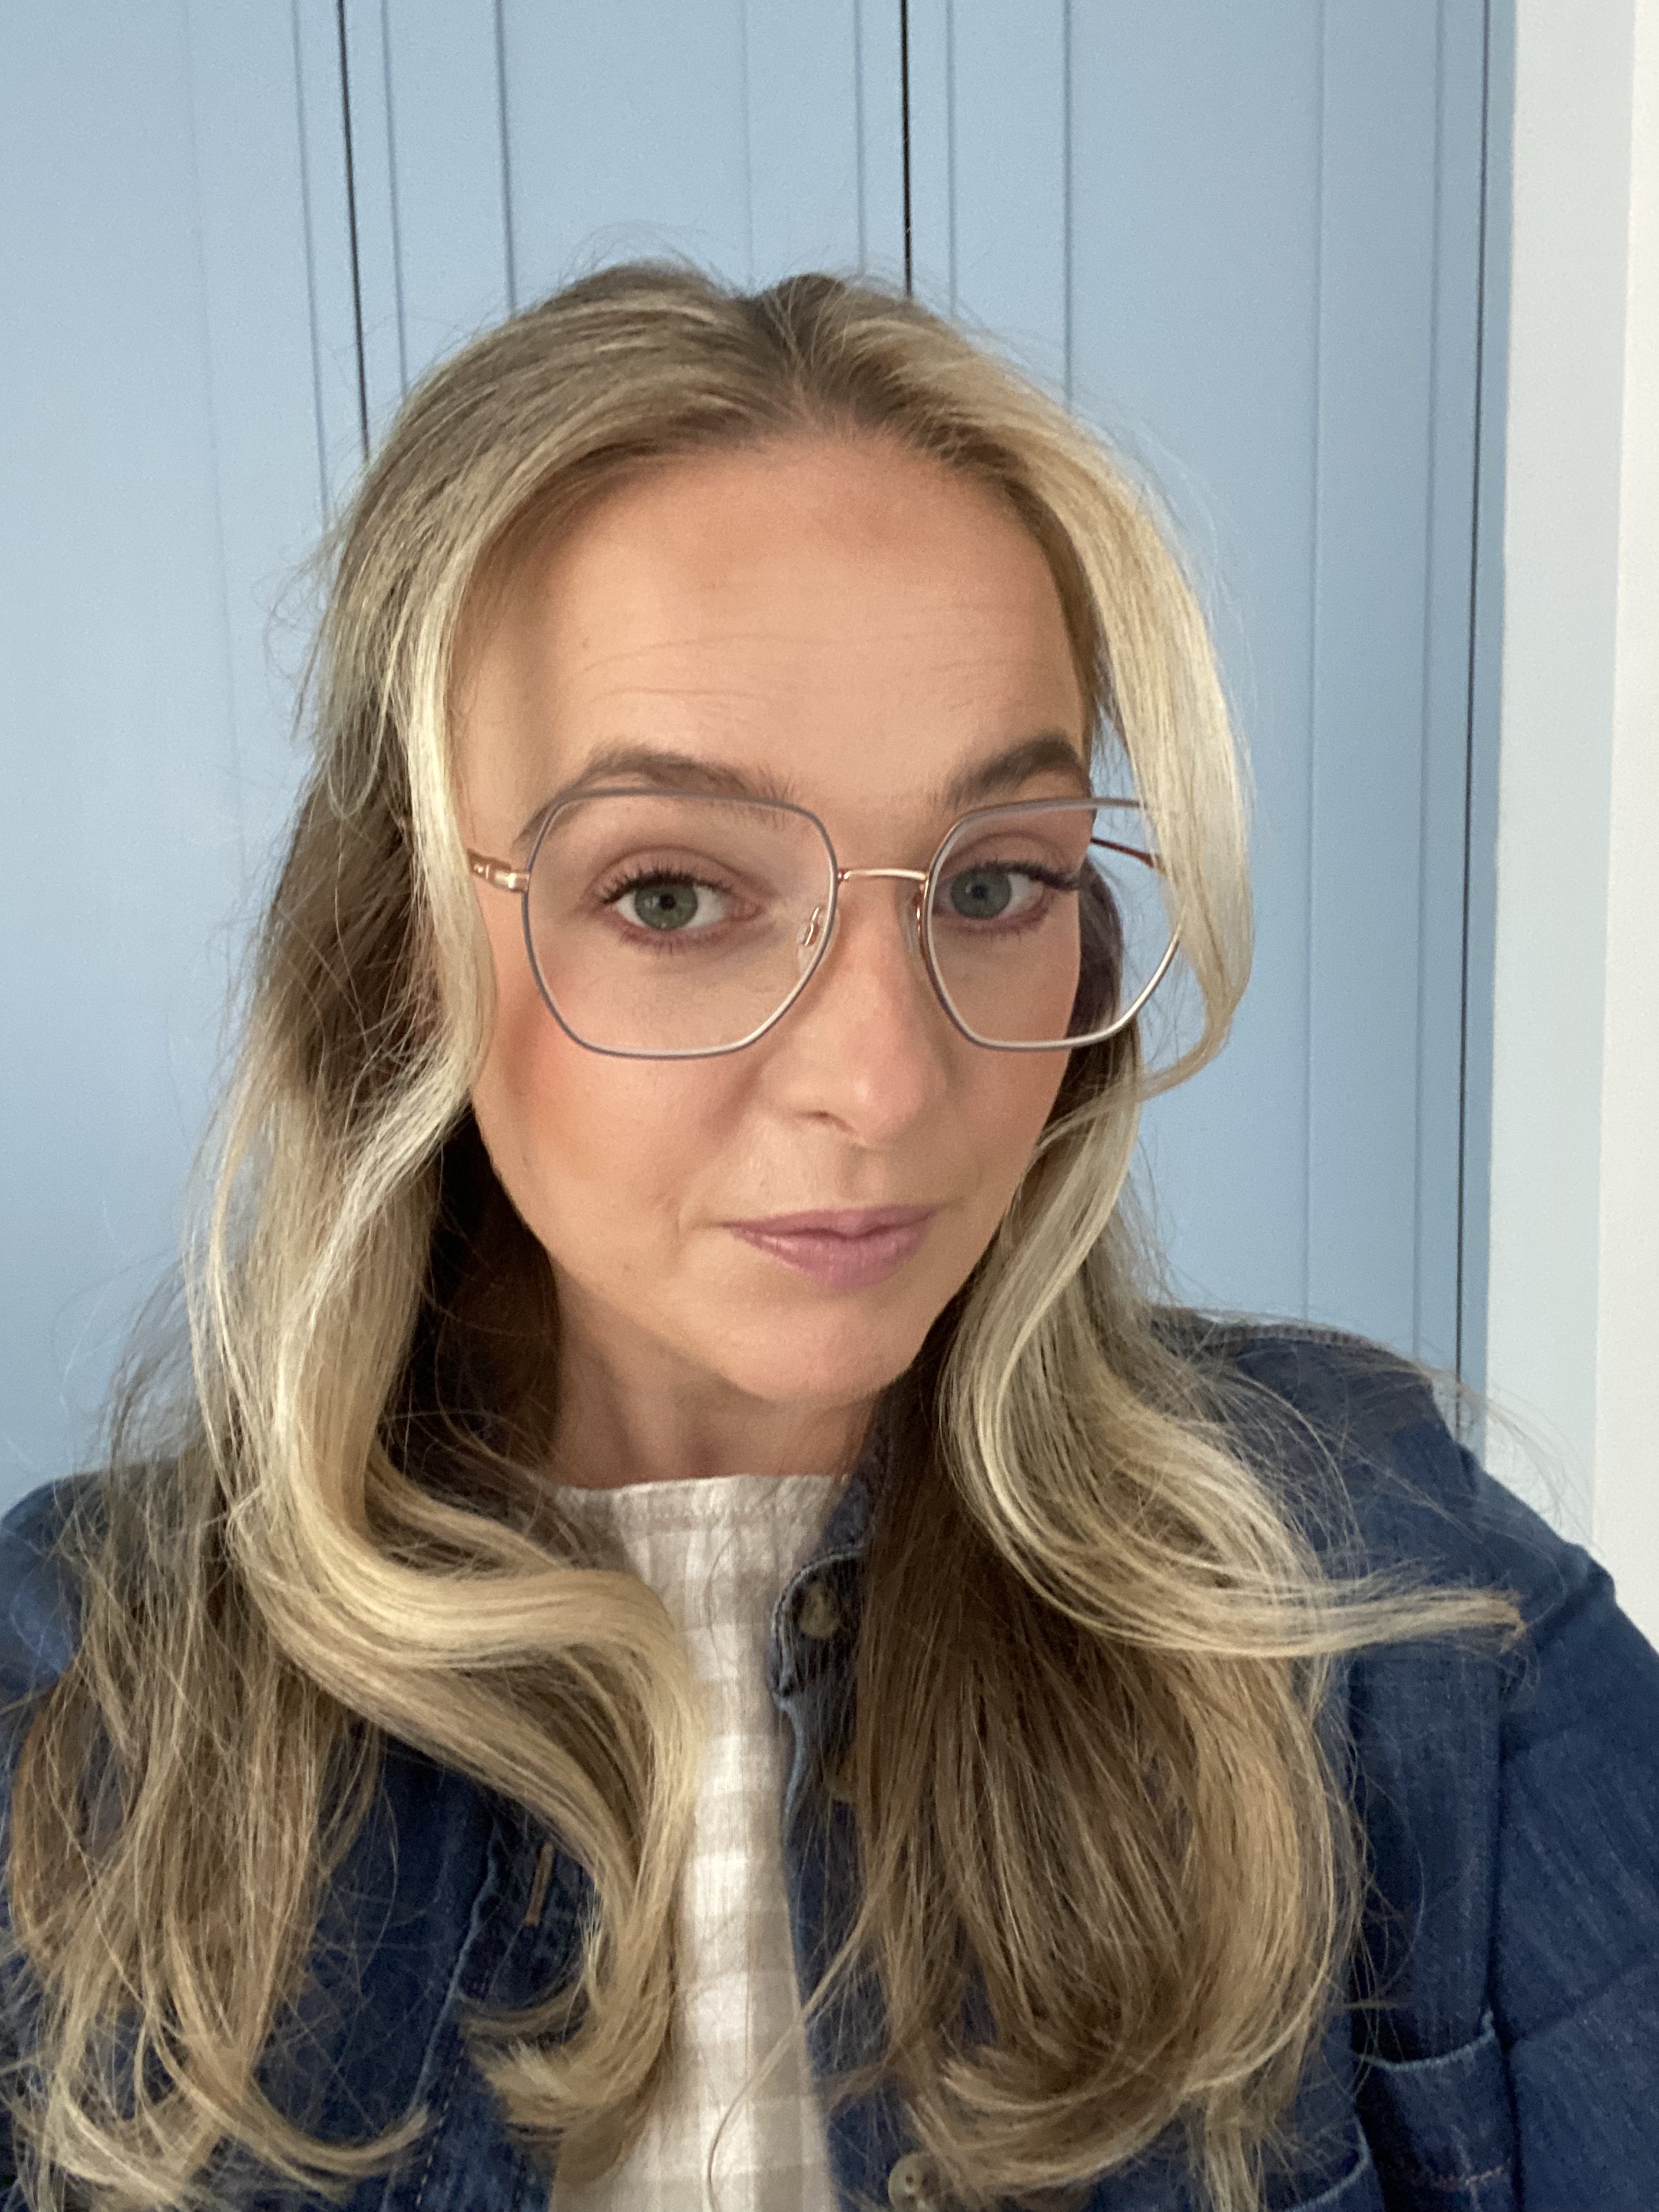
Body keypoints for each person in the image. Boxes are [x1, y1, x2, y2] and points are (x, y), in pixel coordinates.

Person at [0, 264, 1654, 2212]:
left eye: (993, 879)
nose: (880, 1080)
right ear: (405, 949)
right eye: (676, 893)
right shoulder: (77, 1702)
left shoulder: (1398, 1612)